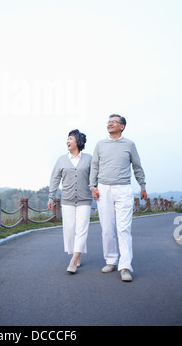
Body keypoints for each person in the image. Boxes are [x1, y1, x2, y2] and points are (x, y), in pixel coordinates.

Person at [90, 114, 147, 282]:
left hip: (123, 188)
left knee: (124, 228)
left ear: (122, 126)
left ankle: (125, 267)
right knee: (107, 228)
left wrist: (142, 185)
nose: (110, 124)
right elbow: (94, 166)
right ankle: (111, 260)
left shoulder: (129, 144)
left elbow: (137, 166)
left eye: (114, 122)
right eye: (108, 121)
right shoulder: (100, 144)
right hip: (103, 188)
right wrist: (92, 186)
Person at [48, 129, 92, 274]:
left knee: (81, 229)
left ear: (78, 141)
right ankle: (75, 254)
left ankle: (74, 259)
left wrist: (96, 189)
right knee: (70, 229)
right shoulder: (61, 159)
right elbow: (55, 178)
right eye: (67, 139)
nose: (67, 141)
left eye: (70, 139)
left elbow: (94, 178)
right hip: (67, 200)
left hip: (84, 199)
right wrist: (51, 196)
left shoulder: (89, 159)